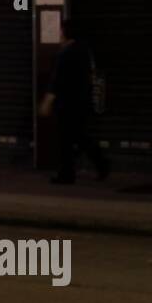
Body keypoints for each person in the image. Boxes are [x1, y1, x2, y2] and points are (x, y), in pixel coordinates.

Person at [39, 19, 110, 185]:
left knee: (66, 140)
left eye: (61, 30)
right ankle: (101, 164)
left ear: (65, 32)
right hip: (81, 101)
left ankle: (67, 174)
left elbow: (56, 81)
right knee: (80, 136)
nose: (59, 33)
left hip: (67, 103)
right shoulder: (84, 50)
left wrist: (47, 102)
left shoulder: (66, 53)